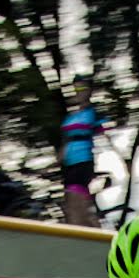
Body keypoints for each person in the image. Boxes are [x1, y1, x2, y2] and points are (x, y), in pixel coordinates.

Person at [60, 73, 105, 227]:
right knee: (77, 208)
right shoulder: (73, 115)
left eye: (83, 87)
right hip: (70, 164)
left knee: (76, 207)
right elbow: (66, 139)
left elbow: (104, 134)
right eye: (76, 88)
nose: (79, 91)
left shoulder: (92, 112)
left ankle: (98, 239)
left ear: (90, 90)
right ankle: (99, 237)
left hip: (83, 161)